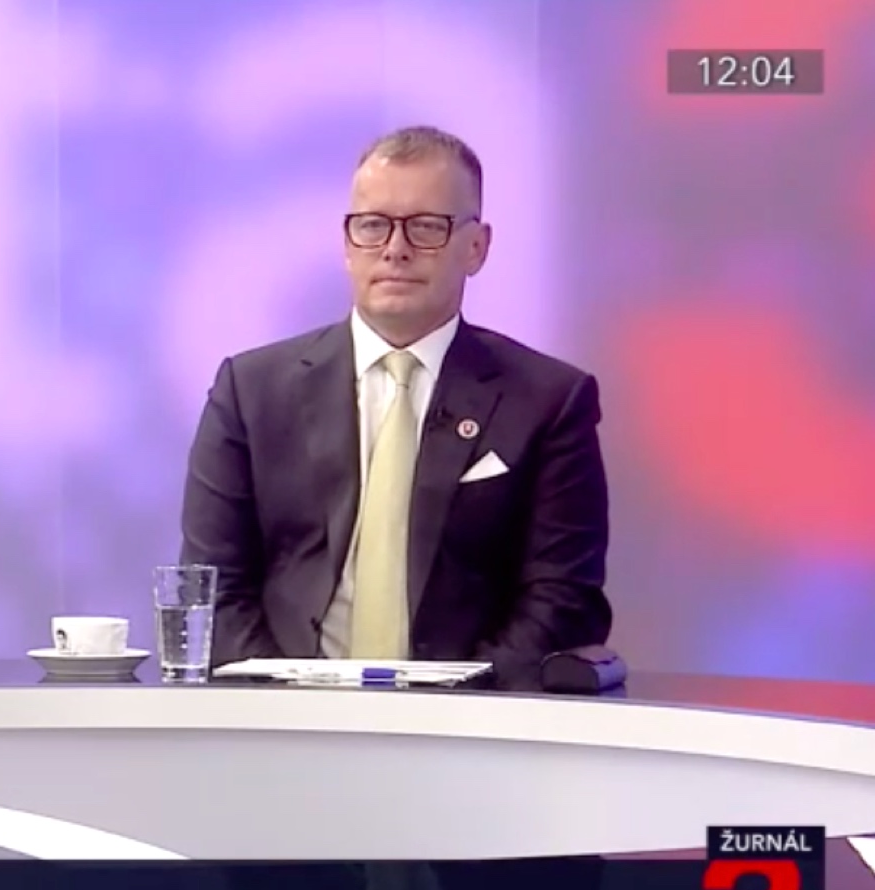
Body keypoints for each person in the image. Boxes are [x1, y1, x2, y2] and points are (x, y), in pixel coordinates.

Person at [178, 126, 610, 683]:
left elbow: (562, 600)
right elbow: (214, 587)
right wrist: (286, 700)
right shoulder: (251, 391)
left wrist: (456, 705)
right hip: (283, 715)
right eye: (373, 225)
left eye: (426, 227)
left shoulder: (549, 402)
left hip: (472, 718)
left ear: (476, 248)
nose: (395, 248)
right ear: (346, 244)